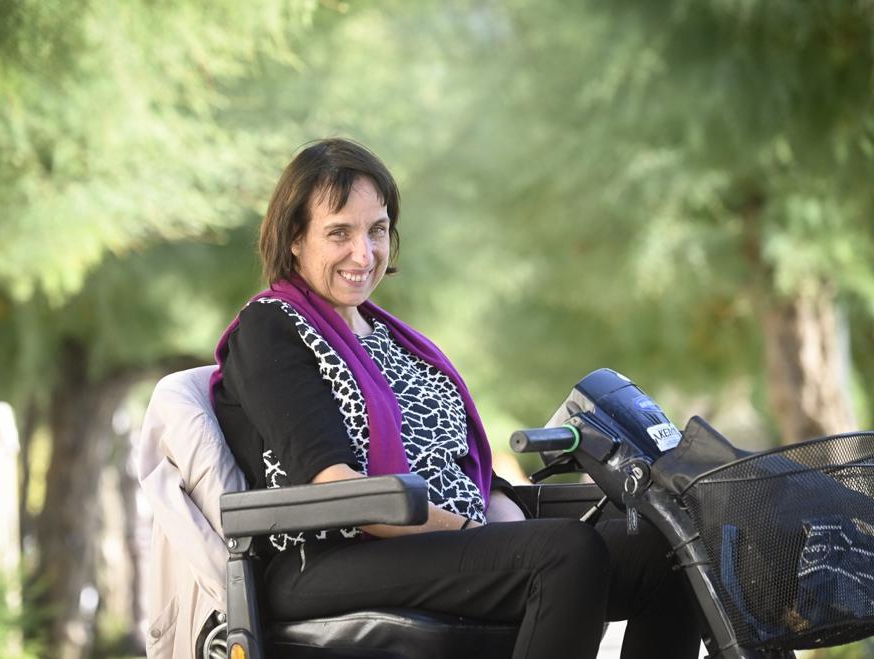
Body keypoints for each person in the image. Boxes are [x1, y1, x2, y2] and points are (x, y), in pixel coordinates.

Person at [210, 138, 701, 658]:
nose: (364, 253)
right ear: (294, 238)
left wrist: (504, 520)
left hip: (438, 541)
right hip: (329, 555)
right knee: (564, 553)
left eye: (377, 230)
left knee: (667, 547)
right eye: (339, 233)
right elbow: (333, 485)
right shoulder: (270, 328)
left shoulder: (390, 337)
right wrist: (474, 531)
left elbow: (454, 463)